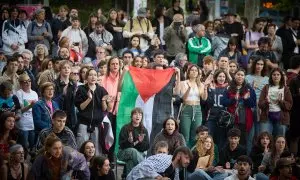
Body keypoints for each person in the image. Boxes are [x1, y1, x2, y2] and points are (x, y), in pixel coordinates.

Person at [75, 68, 110, 155]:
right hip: (83, 123)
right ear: (86, 77)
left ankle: (95, 167)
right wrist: (89, 98)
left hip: (97, 124)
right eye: (90, 75)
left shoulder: (101, 90)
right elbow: (81, 107)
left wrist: (103, 101)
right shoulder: (81, 89)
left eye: (95, 75)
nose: (93, 77)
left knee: (97, 150)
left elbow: (105, 109)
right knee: (81, 148)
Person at [221, 69, 256, 151]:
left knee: (243, 142)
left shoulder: (249, 89)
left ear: (244, 77)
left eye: (242, 75)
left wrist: (247, 99)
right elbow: (223, 102)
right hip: (232, 120)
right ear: (235, 76)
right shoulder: (229, 88)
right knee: (231, 141)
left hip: (245, 120)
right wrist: (233, 99)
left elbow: (253, 104)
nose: (240, 76)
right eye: (238, 74)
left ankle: (242, 161)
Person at [178, 65, 208, 147]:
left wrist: (205, 88)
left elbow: (204, 98)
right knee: (185, 134)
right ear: (188, 72)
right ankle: (184, 154)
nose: (194, 72)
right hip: (186, 108)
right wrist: (189, 88)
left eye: (196, 70)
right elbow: (183, 98)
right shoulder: (183, 83)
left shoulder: (200, 84)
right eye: (192, 70)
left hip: (197, 109)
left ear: (198, 73)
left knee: (195, 135)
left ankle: (192, 154)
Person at [258, 68, 293, 137]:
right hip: (266, 117)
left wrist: (281, 101)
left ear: (281, 76)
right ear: (271, 76)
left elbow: (289, 105)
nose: (276, 76)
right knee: (265, 138)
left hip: (281, 118)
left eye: (278, 74)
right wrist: (266, 101)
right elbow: (260, 104)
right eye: (274, 75)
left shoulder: (285, 89)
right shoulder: (266, 87)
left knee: (280, 141)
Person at [126, 146, 192, 180]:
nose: (188, 162)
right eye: (186, 158)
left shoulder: (176, 170)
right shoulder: (166, 159)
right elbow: (144, 166)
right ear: (179, 155)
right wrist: (160, 178)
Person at [118, 107, 150, 176]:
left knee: (131, 162)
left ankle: (129, 177)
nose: (138, 116)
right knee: (133, 151)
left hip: (138, 155)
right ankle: (146, 170)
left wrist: (140, 142)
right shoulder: (125, 128)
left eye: (140, 114)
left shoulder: (144, 130)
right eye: (135, 114)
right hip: (123, 153)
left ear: (142, 117)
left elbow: (147, 146)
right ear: (131, 116)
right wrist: (128, 141)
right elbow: (121, 144)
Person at [205, 70, 229, 149]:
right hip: (211, 117)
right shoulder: (211, 87)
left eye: (223, 76)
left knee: (220, 140)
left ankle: (219, 159)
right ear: (216, 77)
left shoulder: (227, 88)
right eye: (220, 76)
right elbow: (208, 103)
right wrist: (211, 91)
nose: (222, 78)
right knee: (209, 138)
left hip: (222, 119)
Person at [245, 55, 269, 136]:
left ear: (264, 66)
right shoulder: (247, 77)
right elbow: (244, 93)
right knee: (250, 134)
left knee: (260, 134)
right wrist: (252, 88)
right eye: (258, 64)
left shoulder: (267, 79)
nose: (259, 66)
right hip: (250, 106)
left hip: (262, 107)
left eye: (261, 64)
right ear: (254, 64)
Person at [15, 74, 38, 150]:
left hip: (32, 123)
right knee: (24, 145)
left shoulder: (34, 93)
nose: (28, 83)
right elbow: (20, 110)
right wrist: (30, 106)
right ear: (21, 84)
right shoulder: (19, 93)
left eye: (29, 81)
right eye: (25, 82)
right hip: (23, 124)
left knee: (32, 145)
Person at [289, 68, 300, 155]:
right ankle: (293, 159)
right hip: (296, 113)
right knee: (294, 137)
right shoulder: (294, 81)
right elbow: (290, 99)